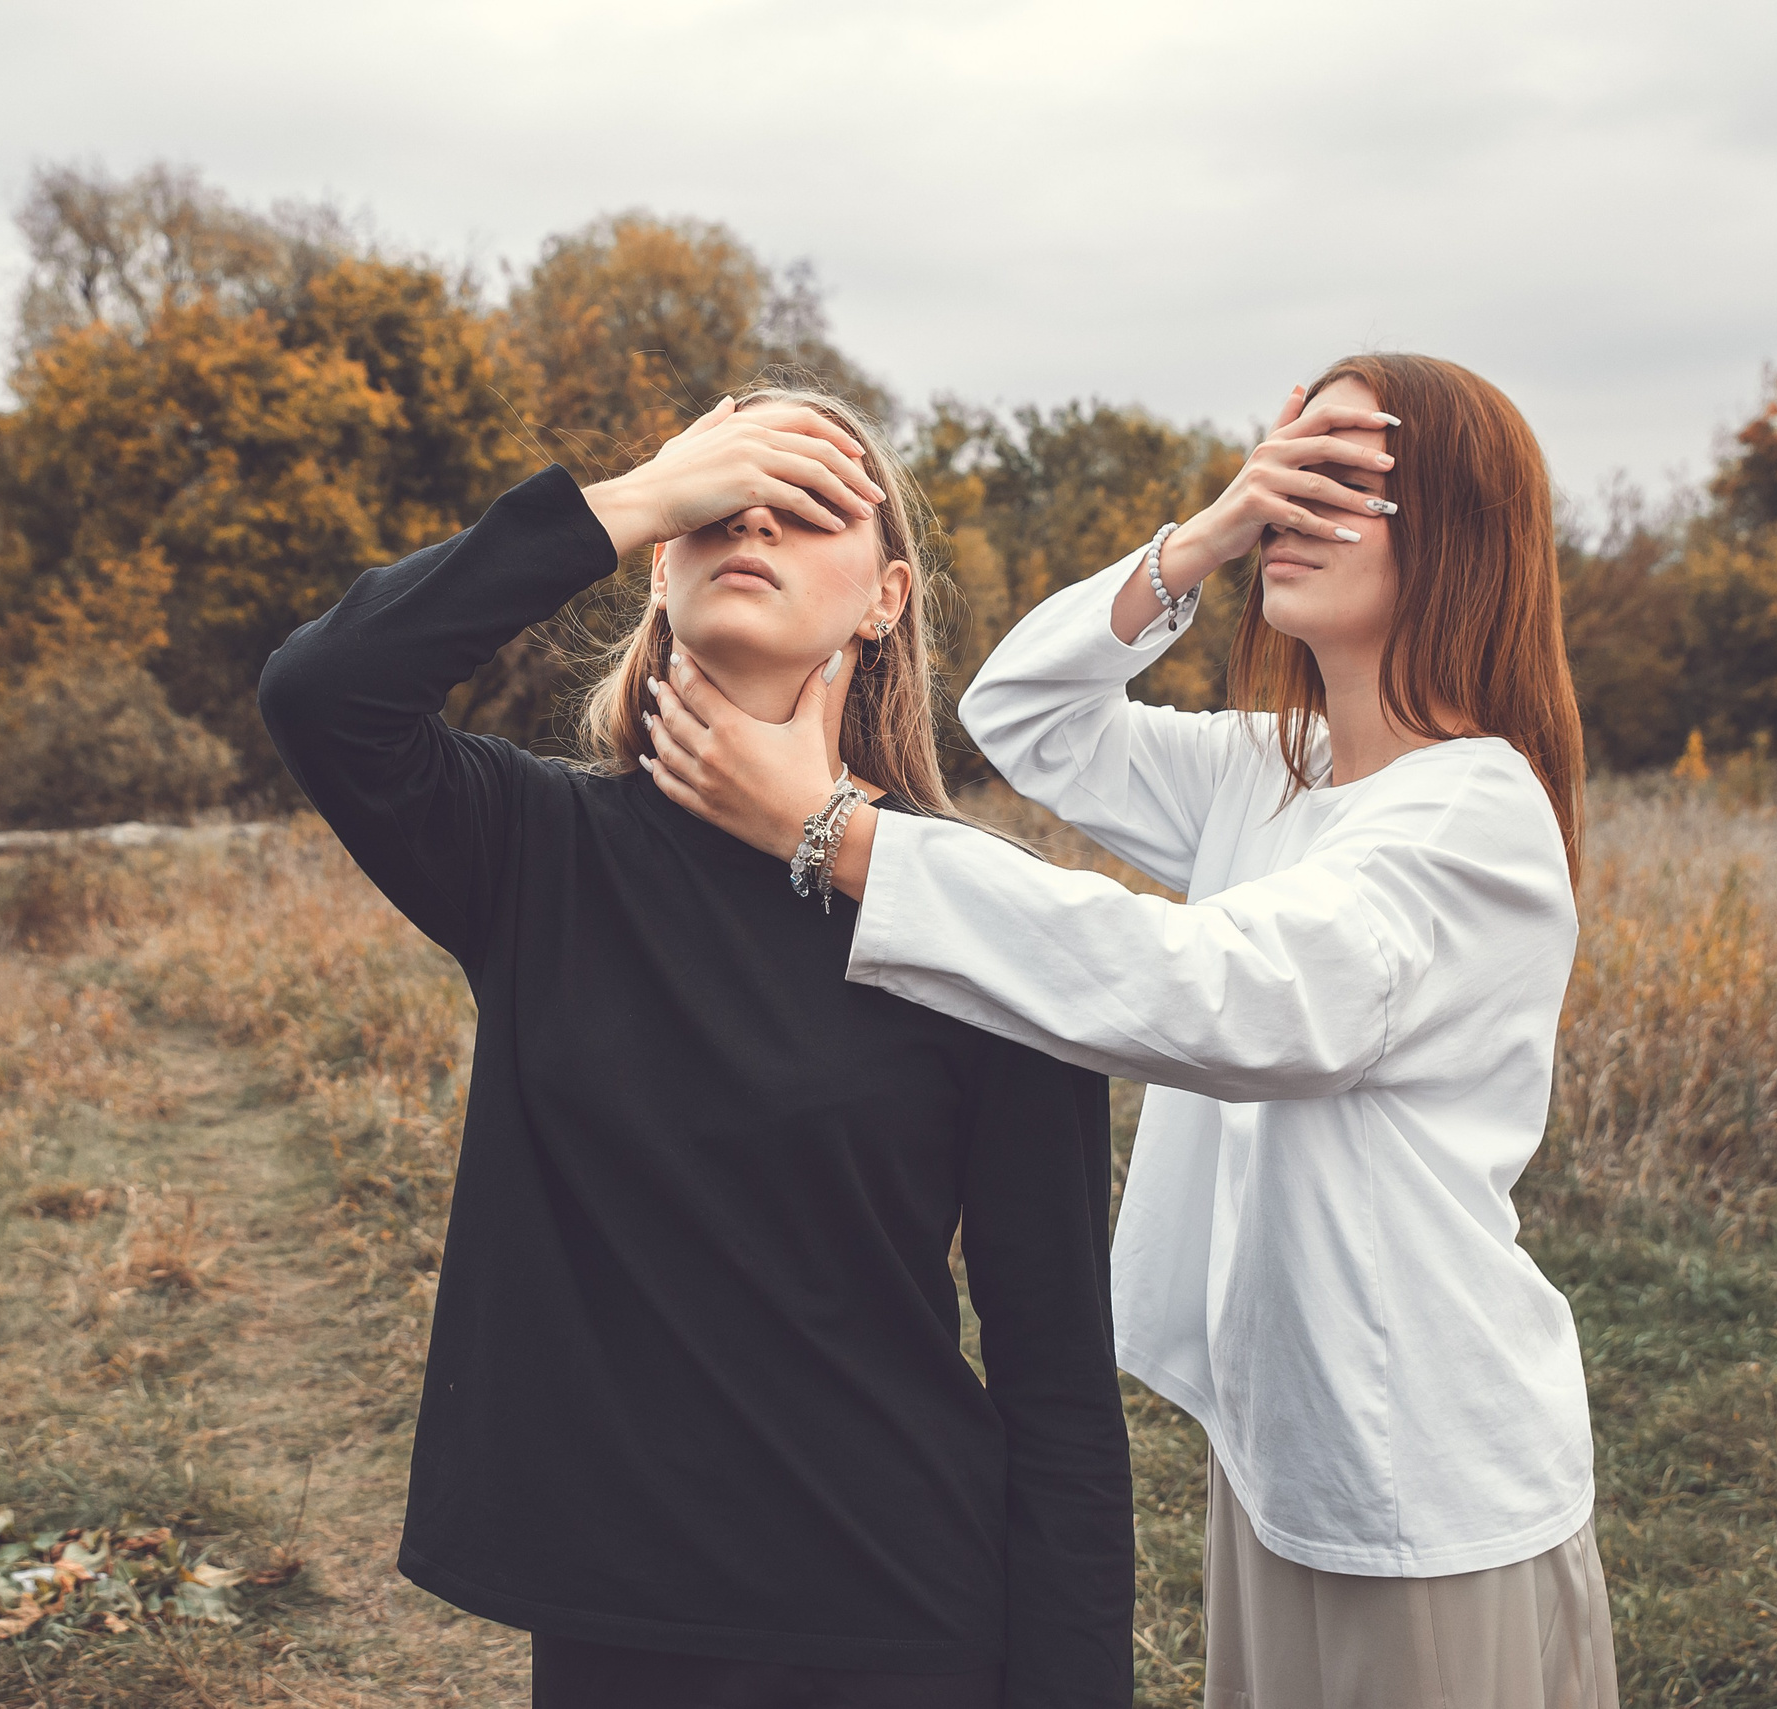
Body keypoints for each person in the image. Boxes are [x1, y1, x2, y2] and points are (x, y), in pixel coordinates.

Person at [643, 354, 1619, 1708]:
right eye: (1283, 469)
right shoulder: (1279, 768)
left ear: (1461, 529)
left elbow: (1216, 991)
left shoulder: (1476, 819)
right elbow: (1021, 713)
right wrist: (1203, 535)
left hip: (1430, 1478)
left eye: (1337, 479)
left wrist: (838, 833)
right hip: (1290, 1450)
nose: (1290, 506)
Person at [257, 385, 1135, 1709]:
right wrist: (629, 497)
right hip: (620, 1626)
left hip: (902, 1620)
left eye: (809, 505)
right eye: (720, 502)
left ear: (887, 596)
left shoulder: (974, 911)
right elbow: (324, 691)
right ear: (659, 566)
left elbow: (1059, 1377)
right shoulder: (535, 851)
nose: (754, 522)